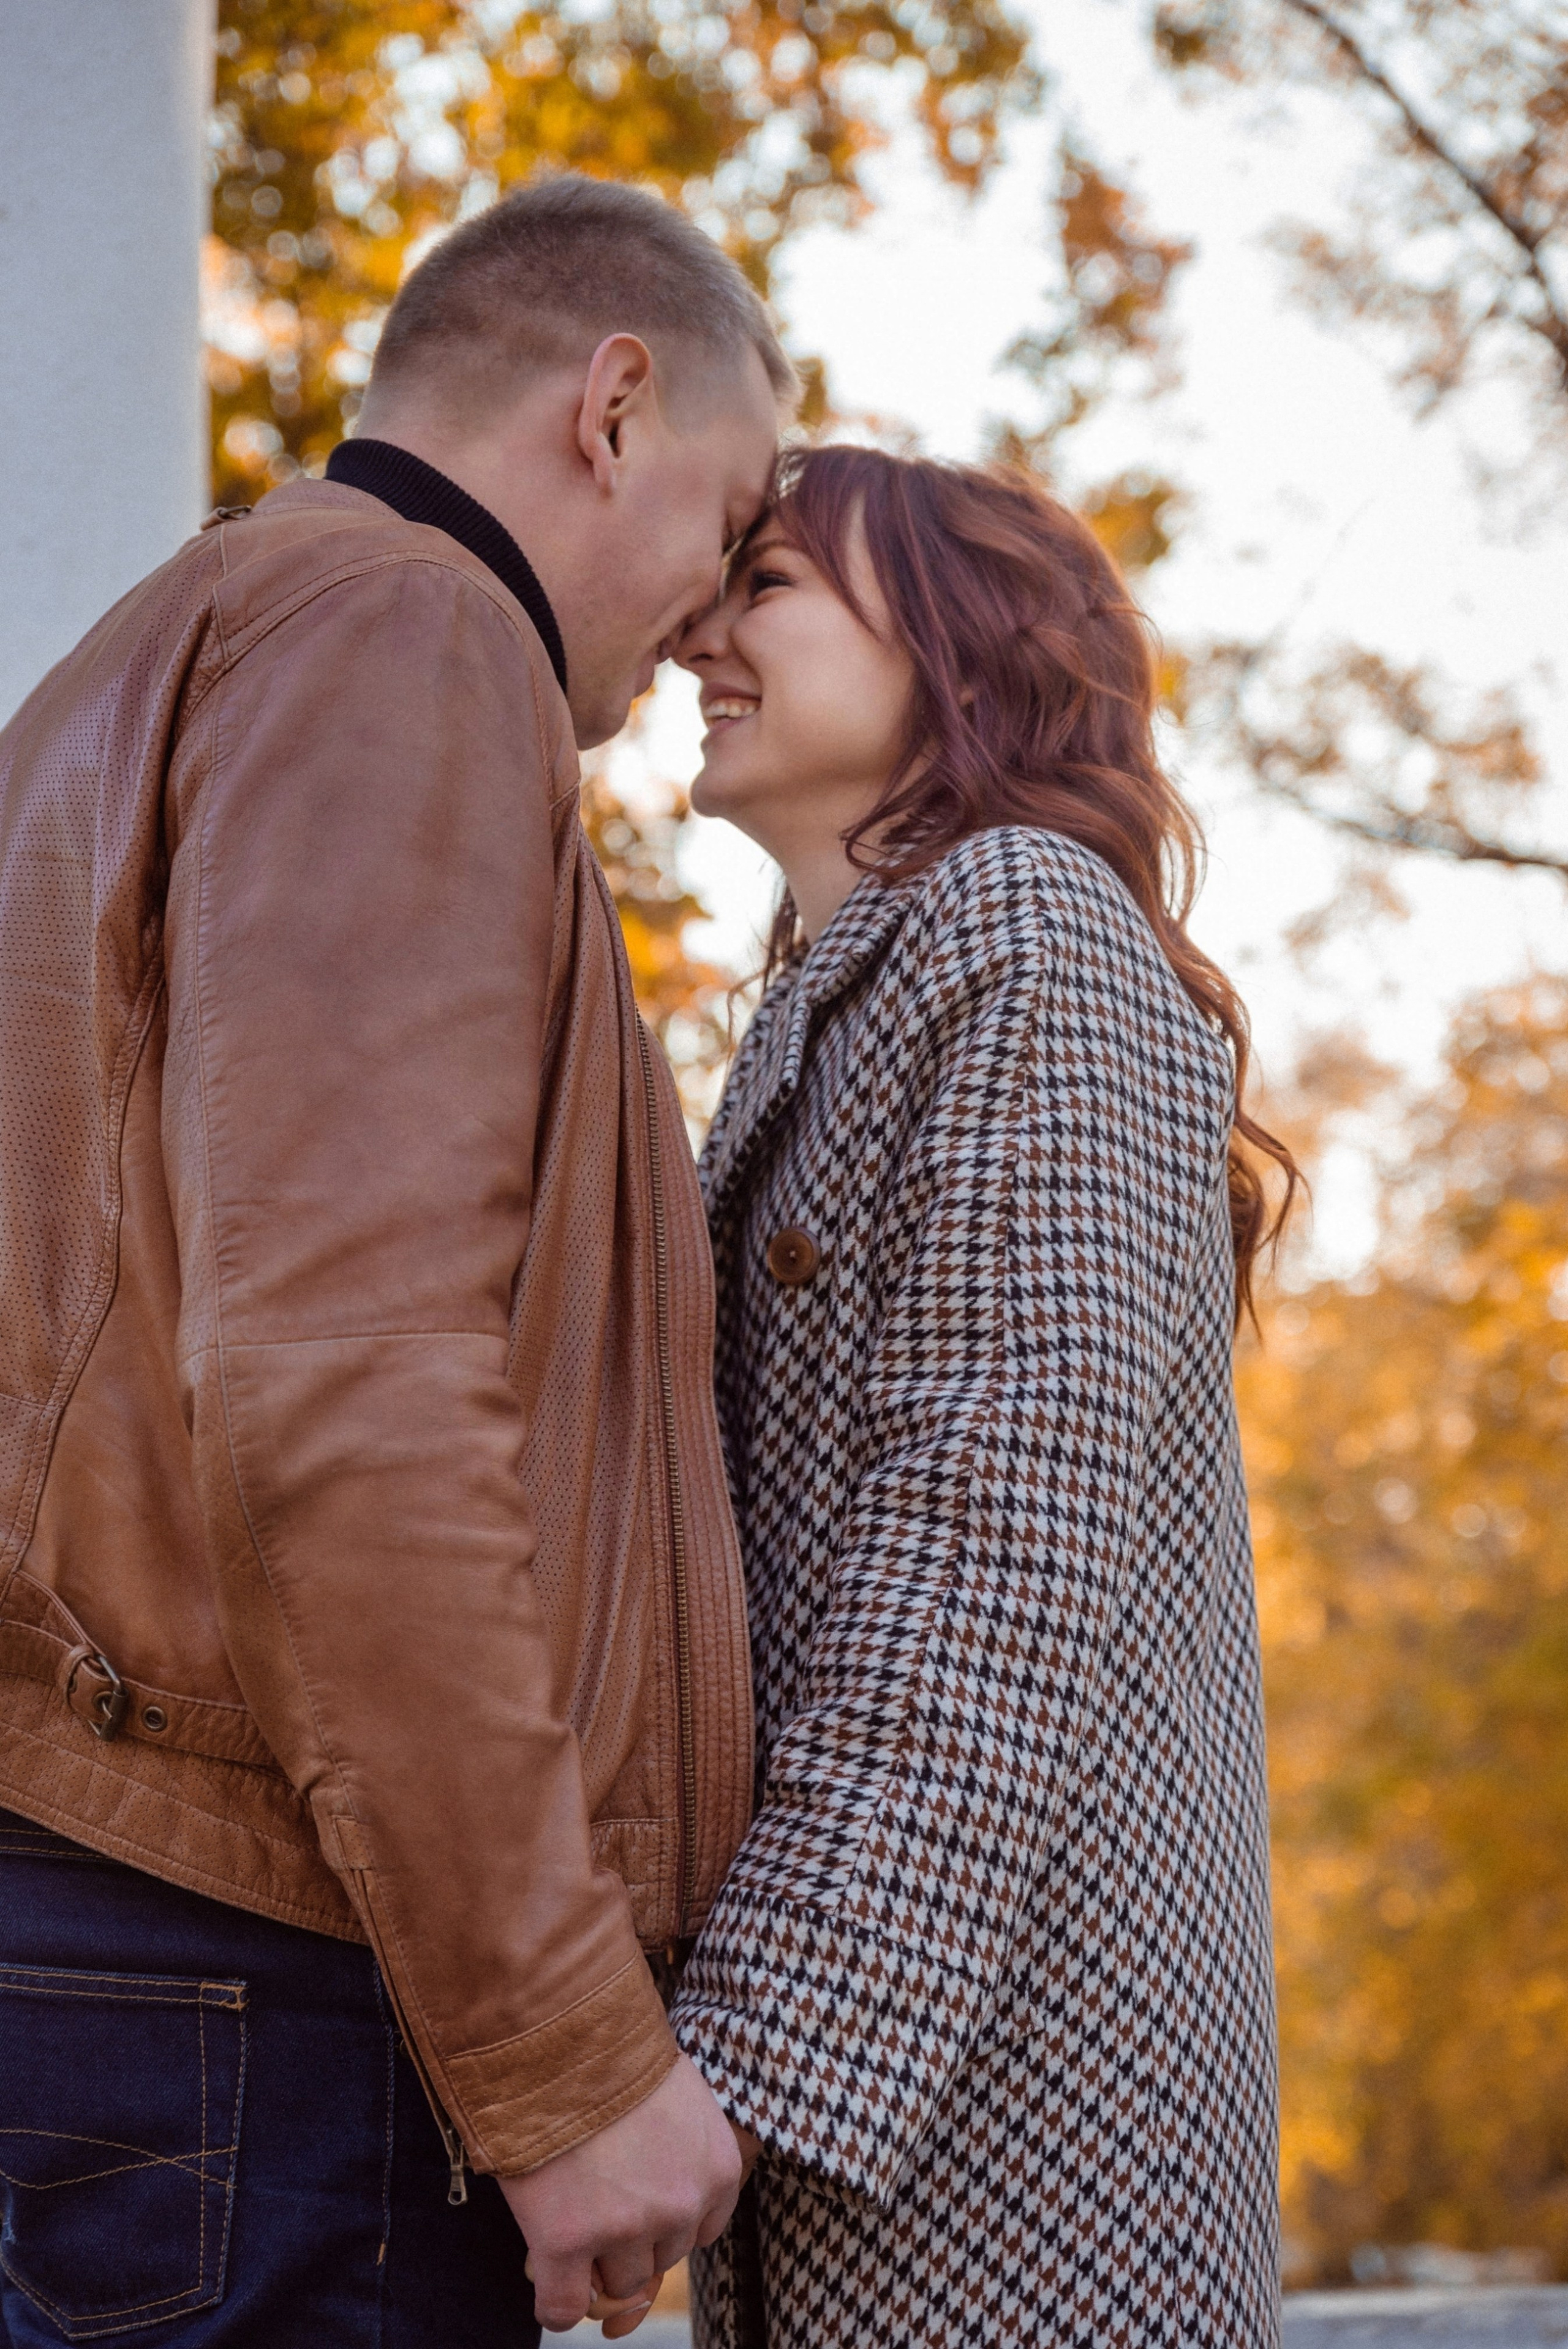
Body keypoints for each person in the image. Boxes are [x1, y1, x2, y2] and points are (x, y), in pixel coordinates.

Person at [0, 175, 793, 2346]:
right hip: (260, 1996)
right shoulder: (410, 631)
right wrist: (564, 2055)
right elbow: (344, 1376)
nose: (709, 623)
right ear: (610, 409)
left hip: (131, 1963)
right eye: (726, 528)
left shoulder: (135, 663)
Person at [669, 445, 1297, 2348]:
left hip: (1028, 2100)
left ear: (953, 648)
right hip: (911, 2079)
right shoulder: (833, 1000)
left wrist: (742, 2066)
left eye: (762, 584)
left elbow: (989, 1553)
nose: (702, 631)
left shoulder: (1029, 929)